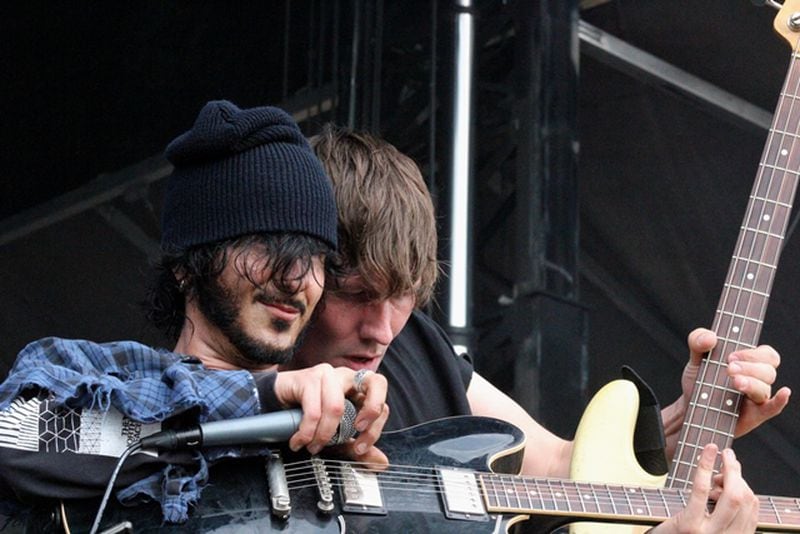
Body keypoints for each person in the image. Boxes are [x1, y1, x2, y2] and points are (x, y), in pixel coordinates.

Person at [284, 124, 792, 532]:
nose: (382, 329)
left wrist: (690, 418)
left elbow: (558, 463)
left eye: (403, 295)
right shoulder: (228, 390)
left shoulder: (415, 343)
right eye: (357, 296)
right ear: (299, 275)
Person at [0, 101, 389, 529]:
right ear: (188, 265)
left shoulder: (324, 433)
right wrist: (262, 398)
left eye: (315, 257)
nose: (296, 278)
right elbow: (13, 437)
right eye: (265, 245)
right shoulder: (94, 370)